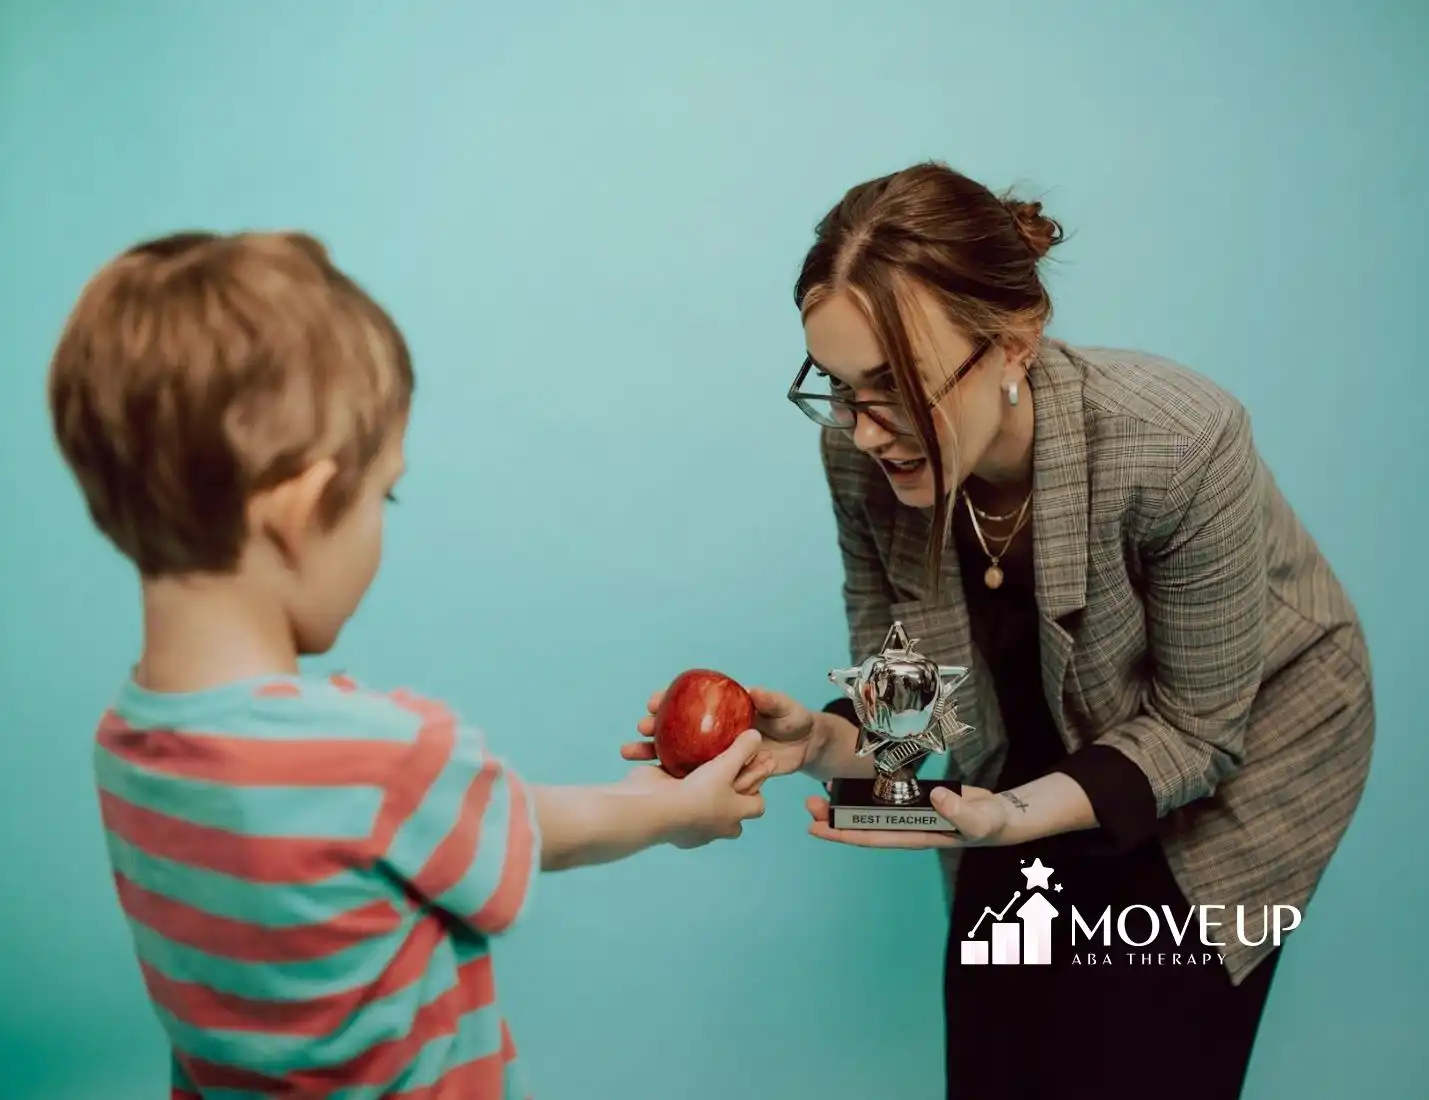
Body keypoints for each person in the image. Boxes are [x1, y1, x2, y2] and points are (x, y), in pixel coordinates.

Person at [625, 161, 1375, 1099]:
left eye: (896, 385)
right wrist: (820, 742)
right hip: (1019, 760)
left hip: (1240, 755)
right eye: (839, 386)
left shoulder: (1181, 442)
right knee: (997, 1046)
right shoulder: (857, 455)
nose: (864, 430)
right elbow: (910, 702)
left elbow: (1195, 732)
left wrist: (1013, 819)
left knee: (1145, 1046)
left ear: (1014, 342)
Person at [48, 230, 774, 1099]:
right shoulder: (381, 754)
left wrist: (656, 796)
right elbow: (535, 831)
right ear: (307, 507)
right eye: (381, 493)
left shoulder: (125, 744)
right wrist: (676, 813)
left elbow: (471, 820)